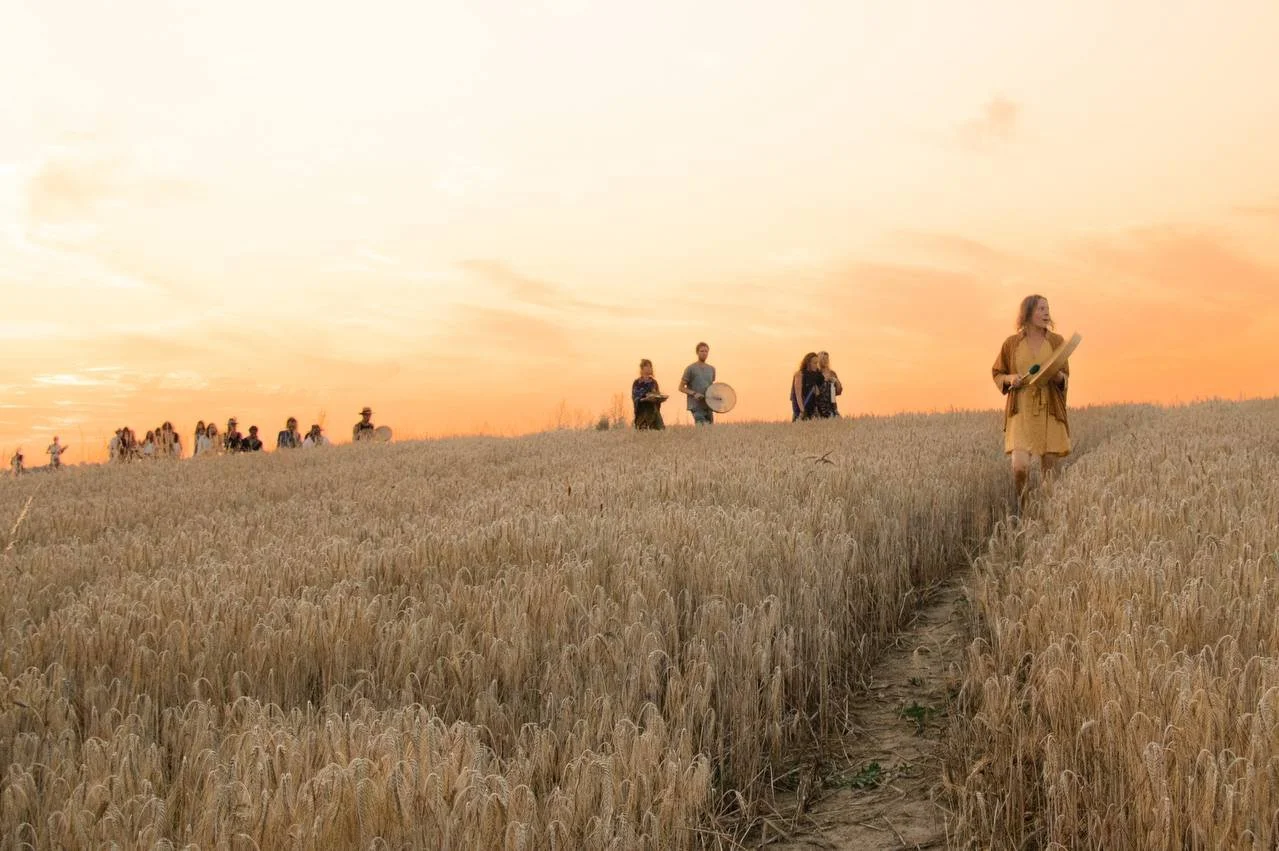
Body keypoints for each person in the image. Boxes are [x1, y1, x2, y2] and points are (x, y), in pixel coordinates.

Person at [992, 294, 1071, 503]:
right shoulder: (1011, 344)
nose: (1046, 313)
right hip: (1021, 409)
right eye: (1041, 309)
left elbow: (1066, 377)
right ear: (1027, 313)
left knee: (1050, 473)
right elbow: (998, 373)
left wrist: (1057, 376)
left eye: (1048, 309)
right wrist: (1010, 379)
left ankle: (1047, 515)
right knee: (1019, 467)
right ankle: (1025, 509)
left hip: (1049, 407)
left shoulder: (1057, 341)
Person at [678, 342, 716, 425]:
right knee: (701, 427)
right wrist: (694, 393)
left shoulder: (712, 369)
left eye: (706, 351)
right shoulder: (690, 368)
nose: (704, 353)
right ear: (697, 352)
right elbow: (681, 387)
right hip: (695, 405)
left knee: (710, 431)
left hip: (708, 405)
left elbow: (711, 387)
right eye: (702, 351)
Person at [631, 359, 666, 430]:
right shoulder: (637, 382)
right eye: (647, 366)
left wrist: (659, 399)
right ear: (642, 368)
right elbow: (635, 397)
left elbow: (657, 395)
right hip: (642, 411)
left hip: (653, 410)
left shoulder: (654, 382)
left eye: (650, 366)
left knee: (660, 430)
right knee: (643, 432)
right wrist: (644, 399)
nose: (650, 368)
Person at [792, 353, 823, 420]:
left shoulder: (815, 374)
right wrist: (802, 411)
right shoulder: (799, 374)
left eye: (817, 363)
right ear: (808, 363)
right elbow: (798, 395)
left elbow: (817, 392)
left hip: (811, 406)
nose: (816, 365)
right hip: (801, 407)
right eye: (814, 363)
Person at [816, 351, 843, 418]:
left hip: (832, 404)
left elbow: (839, 391)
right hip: (818, 404)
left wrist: (836, 381)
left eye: (827, 359)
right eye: (823, 359)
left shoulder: (832, 373)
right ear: (819, 360)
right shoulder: (816, 373)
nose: (825, 361)